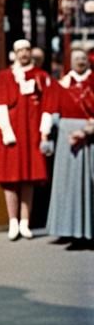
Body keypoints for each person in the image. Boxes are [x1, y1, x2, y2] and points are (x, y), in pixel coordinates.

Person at [0, 38, 53, 240]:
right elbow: (0, 105)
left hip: (31, 133)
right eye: (20, 51)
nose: (24, 54)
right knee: (10, 179)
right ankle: (12, 221)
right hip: (12, 134)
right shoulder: (6, 76)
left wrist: (44, 131)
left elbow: (48, 106)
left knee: (29, 179)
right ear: (15, 54)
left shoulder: (41, 76)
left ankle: (25, 221)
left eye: (27, 50)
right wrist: (6, 130)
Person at [42, 47, 94, 246]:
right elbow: (50, 109)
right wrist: (45, 135)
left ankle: (86, 232)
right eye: (76, 59)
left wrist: (87, 131)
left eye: (83, 58)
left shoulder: (92, 82)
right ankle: (66, 229)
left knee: (87, 184)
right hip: (66, 136)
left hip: (88, 137)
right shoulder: (62, 84)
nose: (80, 62)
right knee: (65, 184)